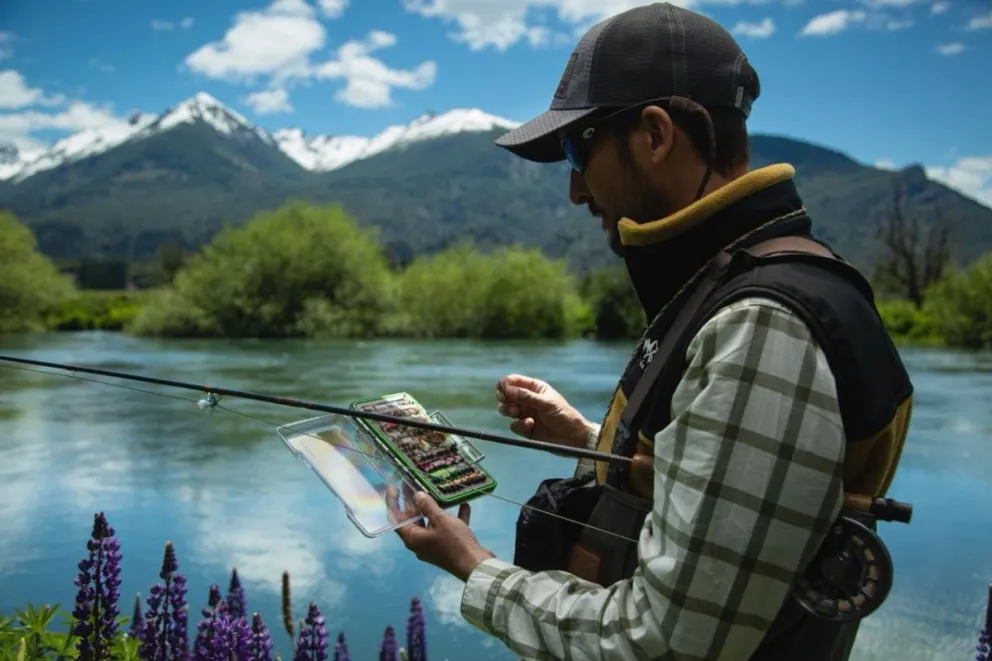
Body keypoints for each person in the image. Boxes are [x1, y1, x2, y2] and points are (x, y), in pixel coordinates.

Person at [393, 3, 914, 660]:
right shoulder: (740, 279)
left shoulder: (764, 321)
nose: (576, 190)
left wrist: (476, 568)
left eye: (579, 149)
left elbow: (668, 640)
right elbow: (733, 493)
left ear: (656, 135)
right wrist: (593, 440)